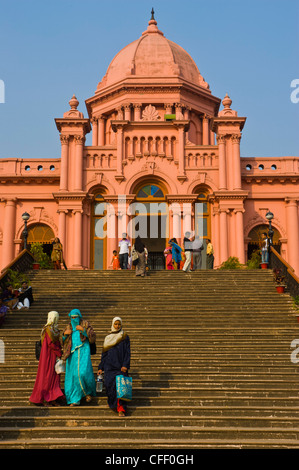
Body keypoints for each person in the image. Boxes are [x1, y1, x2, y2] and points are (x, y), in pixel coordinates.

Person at [62, 309, 96, 406]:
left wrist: (83, 330)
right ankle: (74, 399)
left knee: (82, 373)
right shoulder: (68, 326)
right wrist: (64, 335)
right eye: (72, 317)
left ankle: (87, 392)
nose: (73, 319)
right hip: (71, 353)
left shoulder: (85, 324)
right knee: (72, 376)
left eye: (75, 317)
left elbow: (93, 337)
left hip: (84, 350)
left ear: (79, 316)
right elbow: (62, 341)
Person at [29, 311, 65, 406]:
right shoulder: (48, 329)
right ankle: (45, 398)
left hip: (52, 355)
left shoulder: (53, 329)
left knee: (53, 376)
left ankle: (52, 398)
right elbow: (50, 343)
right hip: (48, 356)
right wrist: (59, 351)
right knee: (47, 377)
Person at [98, 317, 131, 417]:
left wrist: (125, 365)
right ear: (113, 324)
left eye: (119, 324)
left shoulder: (124, 336)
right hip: (109, 367)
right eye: (115, 324)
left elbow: (127, 352)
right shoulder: (108, 338)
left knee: (120, 388)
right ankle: (113, 405)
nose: (117, 326)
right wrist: (101, 367)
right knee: (110, 387)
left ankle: (121, 409)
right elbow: (104, 355)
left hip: (120, 367)